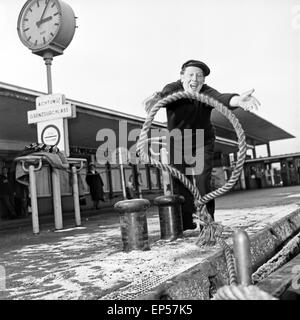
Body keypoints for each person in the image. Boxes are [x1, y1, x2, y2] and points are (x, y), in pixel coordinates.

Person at [144, 59, 260, 230]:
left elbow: (221, 98)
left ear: (203, 81)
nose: (195, 79)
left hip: (202, 140)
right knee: (179, 180)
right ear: (182, 77)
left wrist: (238, 100)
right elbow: (164, 95)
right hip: (177, 141)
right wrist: (157, 98)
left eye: (199, 76)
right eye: (191, 75)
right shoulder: (173, 88)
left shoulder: (206, 92)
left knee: (202, 180)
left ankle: (208, 221)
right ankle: (185, 222)